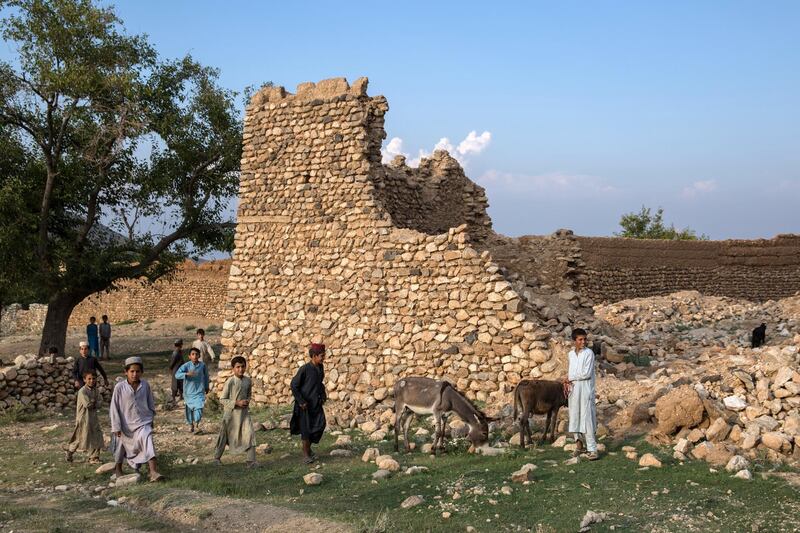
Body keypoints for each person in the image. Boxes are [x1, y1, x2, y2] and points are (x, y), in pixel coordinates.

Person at [109, 356, 164, 482]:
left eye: (137, 371)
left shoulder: (145, 385)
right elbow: (114, 407)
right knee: (120, 446)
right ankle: (118, 469)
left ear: (141, 372)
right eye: (132, 371)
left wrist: (151, 420)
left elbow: (150, 403)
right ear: (126, 372)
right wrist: (116, 426)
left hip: (142, 423)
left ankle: (153, 471)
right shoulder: (120, 387)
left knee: (147, 439)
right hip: (124, 425)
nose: (134, 374)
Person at [563, 328, 599, 461]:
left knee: (587, 417)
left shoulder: (589, 353)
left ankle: (593, 449)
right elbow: (571, 370)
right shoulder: (571, 354)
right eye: (580, 339)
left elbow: (586, 374)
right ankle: (579, 445)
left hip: (585, 390)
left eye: (585, 339)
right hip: (573, 389)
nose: (583, 342)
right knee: (574, 416)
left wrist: (569, 378)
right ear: (574, 341)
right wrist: (568, 381)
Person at [214, 356, 256, 467]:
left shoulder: (248, 381)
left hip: (244, 414)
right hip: (231, 415)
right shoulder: (230, 382)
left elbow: (248, 394)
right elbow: (222, 399)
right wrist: (237, 403)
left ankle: (251, 461)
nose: (240, 369)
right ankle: (217, 458)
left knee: (250, 433)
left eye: (243, 366)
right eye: (238, 367)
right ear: (233, 368)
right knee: (224, 436)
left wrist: (247, 401)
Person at [290, 343, 327, 464]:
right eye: (322, 355)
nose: (323, 358)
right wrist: (301, 401)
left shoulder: (320, 368)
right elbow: (294, 385)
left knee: (320, 425)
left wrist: (323, 395)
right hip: (304, 406)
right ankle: (306, 455)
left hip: (316, 404)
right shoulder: (305, 369)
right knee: (306, 430)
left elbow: (319, 383)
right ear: (314, 356)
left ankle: (308, 449)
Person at [64, 371, 104, 464]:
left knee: (97, 435)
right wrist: (94, 402)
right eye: (89, 379)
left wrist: (94, 402)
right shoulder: (82, 391)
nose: (91, 381)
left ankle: (94, 457)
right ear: (84, 380)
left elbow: (100, 402)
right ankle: (69, 451)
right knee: (81, 437)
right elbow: (88, 404)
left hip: (93, 417)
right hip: (83, 418)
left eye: (93, 378)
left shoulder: (96, 390)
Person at [174, 348, 209, 433]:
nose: (195, 356)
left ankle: (197, 425)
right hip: (189, 392)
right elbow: (177, 375)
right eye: (193, 354)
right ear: (189, 356)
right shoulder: (186, 366)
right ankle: (191, 425)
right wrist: (186, 374)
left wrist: (206, 386)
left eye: (196, 354)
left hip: (199, 391)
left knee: (199, 407)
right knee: (189, 409)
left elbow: (206, 376)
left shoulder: (202, 365)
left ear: (199, 356)